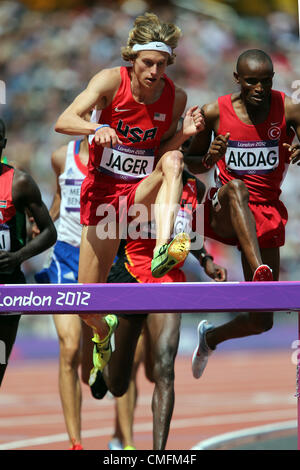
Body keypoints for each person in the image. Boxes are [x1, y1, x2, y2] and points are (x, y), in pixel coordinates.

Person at [54, 13, 204, 385]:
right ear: (132, 60)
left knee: (174, 159)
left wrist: (182, 134)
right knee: (87, 304)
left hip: (140, 193)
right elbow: (64, 120)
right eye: (148, 63)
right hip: (103, 199)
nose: (155, 72)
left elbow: (158, 157)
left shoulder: (174, 97)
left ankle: (165, 245)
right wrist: (97, 127)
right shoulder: (110, 81)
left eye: (162, 64)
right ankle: (103, 332)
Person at [184, 48, 300, 379]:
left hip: (264, 215)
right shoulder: (214, 113)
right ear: (238, 80)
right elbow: (188, 162)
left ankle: (210, 337)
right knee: (237, 189)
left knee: (262, 320)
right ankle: (259, 270)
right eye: (252, 82)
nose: (260, 89)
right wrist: (208, 157)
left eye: (266, 82)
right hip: (224, 209)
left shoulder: (289, 110)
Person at [93, 169, 227, 450]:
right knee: (118, 384)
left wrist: (206, 261)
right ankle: (102, 362)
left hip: (168, 282)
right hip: (130, 274)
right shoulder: (143, 176)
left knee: (165, 368)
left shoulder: (195, 188)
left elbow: (190, 234)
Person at [34, 137, 94, 450]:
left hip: (98, 257)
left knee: (91, 371)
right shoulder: (61, 157)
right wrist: (42, 222)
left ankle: (100, 352)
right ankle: (75, 442)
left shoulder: (117, 156)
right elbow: (60, 199)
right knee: (68, 348)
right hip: (64, 257)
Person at [0, 118, 57, 386]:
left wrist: (17, 257)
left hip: (8, 287)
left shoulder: (19, 182)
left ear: (3, 145)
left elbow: (49, 232)